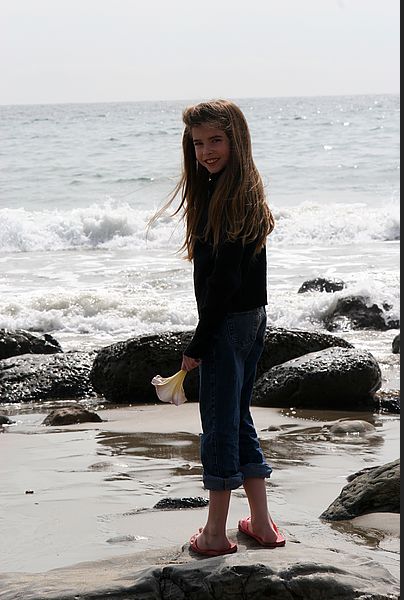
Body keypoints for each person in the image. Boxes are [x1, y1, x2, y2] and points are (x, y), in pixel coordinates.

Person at [148, 99, 285, 557]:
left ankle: (214, 533)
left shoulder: (228, 194)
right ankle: (261, 523)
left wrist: (198, 343)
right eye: (199, 142)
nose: (206, 150)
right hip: (251, 319)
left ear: (235, 140)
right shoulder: (240, 186)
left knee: (219, 427)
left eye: (216, 140)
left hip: (227, 324)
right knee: (238, 416)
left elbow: (223, 281)